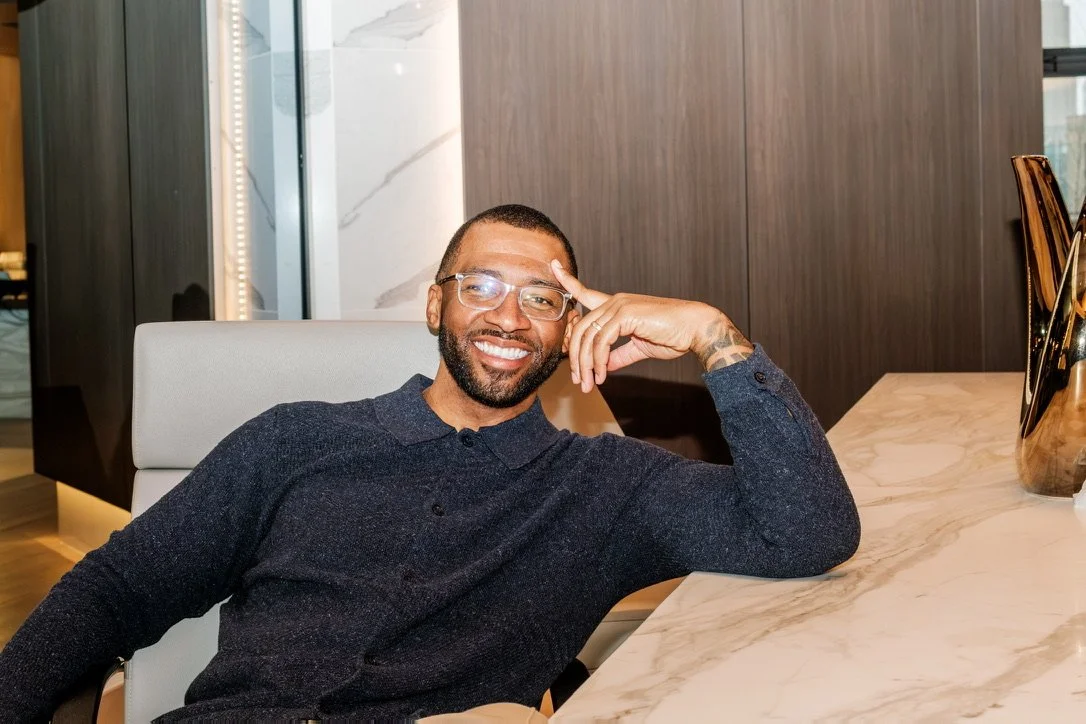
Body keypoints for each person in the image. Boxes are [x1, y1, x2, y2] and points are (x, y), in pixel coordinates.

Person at [0, 204, 860, 722]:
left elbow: (810, 531)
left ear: (571, 329)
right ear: (433, 303)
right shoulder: (297, 439)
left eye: (543, 298)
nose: (509, 317)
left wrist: (716, 338)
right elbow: (114, 591)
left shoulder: (610, 488)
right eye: (481, 285)